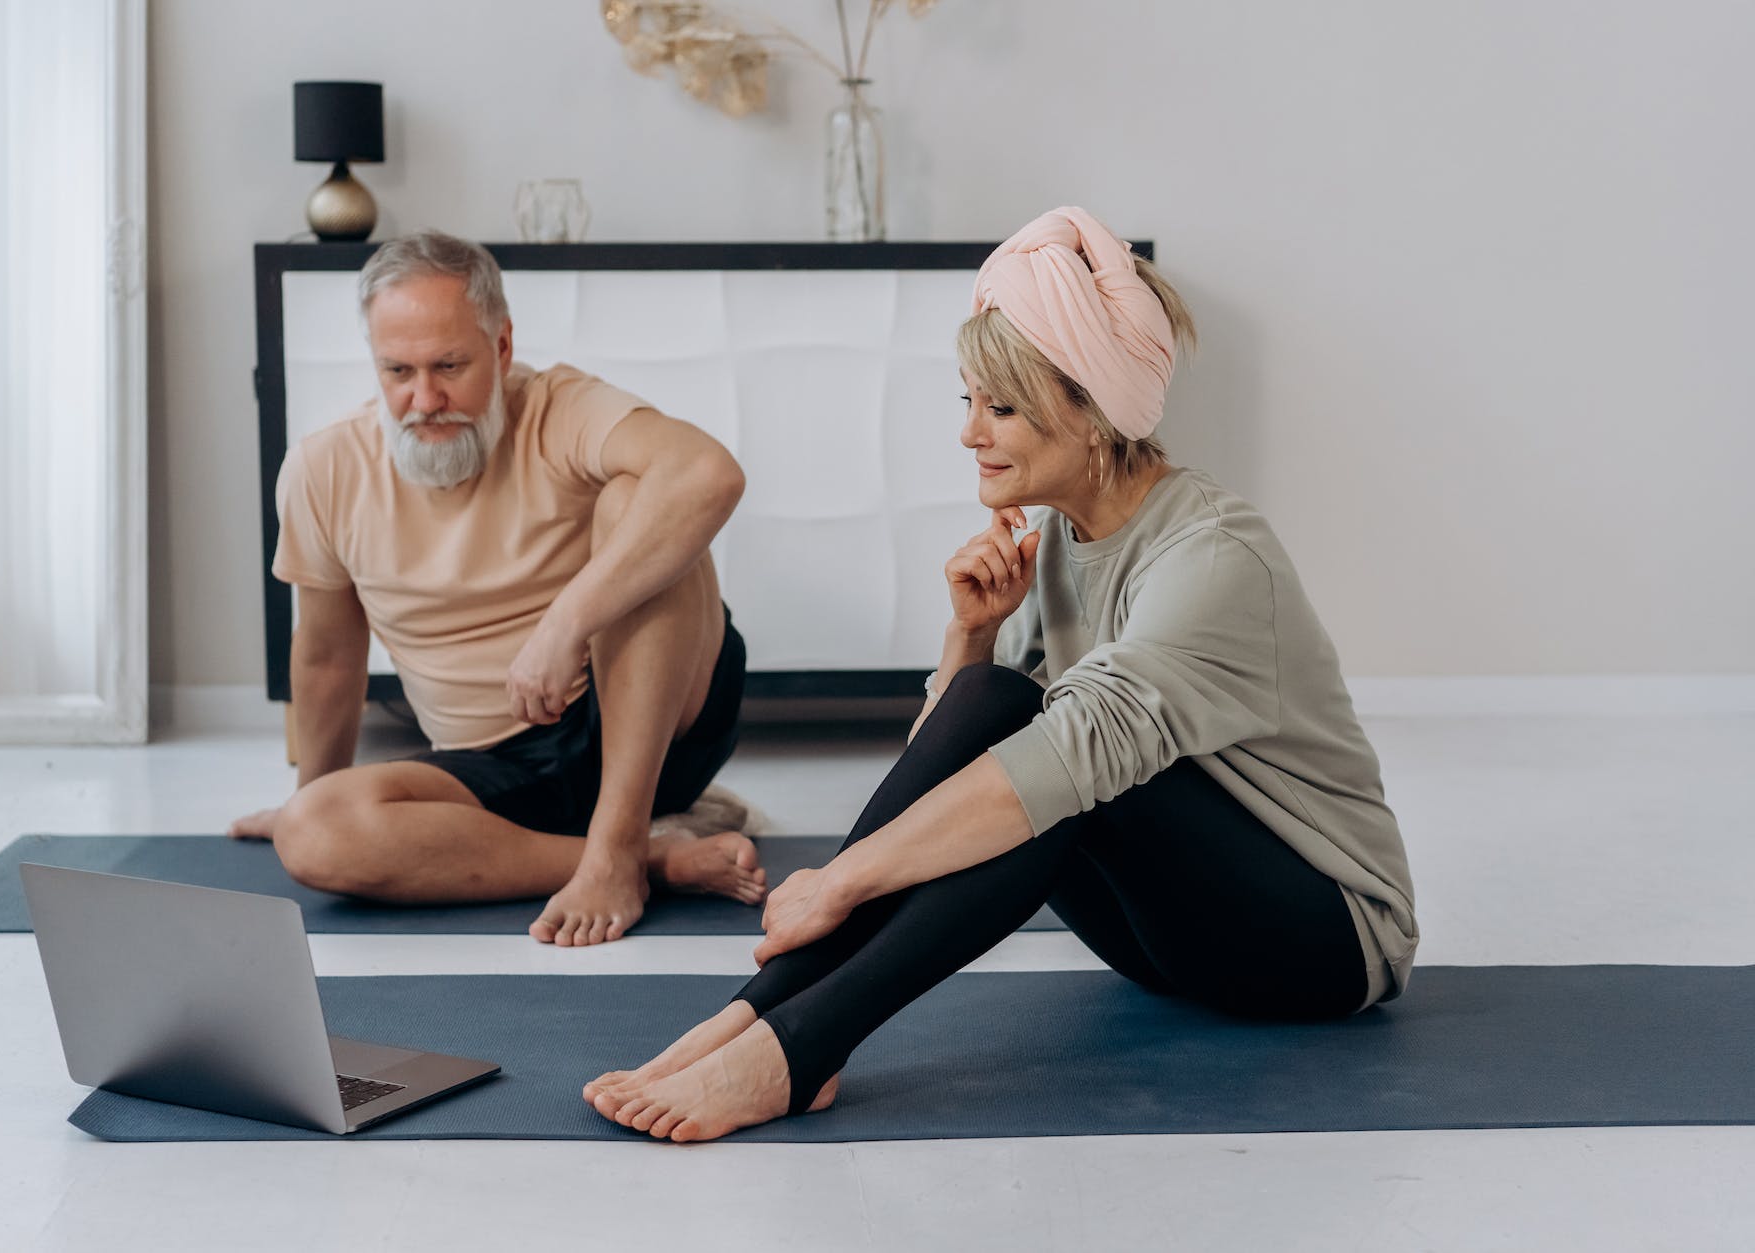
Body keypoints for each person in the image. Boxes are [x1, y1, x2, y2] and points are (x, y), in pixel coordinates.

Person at [582, 206, 1419, 1139]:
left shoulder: (1215, 555)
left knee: (1065, 769)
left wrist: (845, 877)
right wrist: (969, 639)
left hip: (1323, 942)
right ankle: (761, 1019)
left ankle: (795, 1044)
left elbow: (1055, 766)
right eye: (968, 401)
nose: (972, 433)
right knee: (1002, 705)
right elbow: (954, 762)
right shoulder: (1060, 540)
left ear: (1092, 412)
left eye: (1004, 407)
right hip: (1171, 940)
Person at [229, 229, 765, 946]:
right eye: (397, 371)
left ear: (502, 347)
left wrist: (566, 623)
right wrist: (313, 797)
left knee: (640, 496)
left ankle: (617, 843)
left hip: (651, 727)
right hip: (491, 775)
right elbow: (327, 657)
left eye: (449, 364)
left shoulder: (560, 406)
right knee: (313, 833)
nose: (425, 398)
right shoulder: (323, 469)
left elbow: (709, 474)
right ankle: (652, 855)